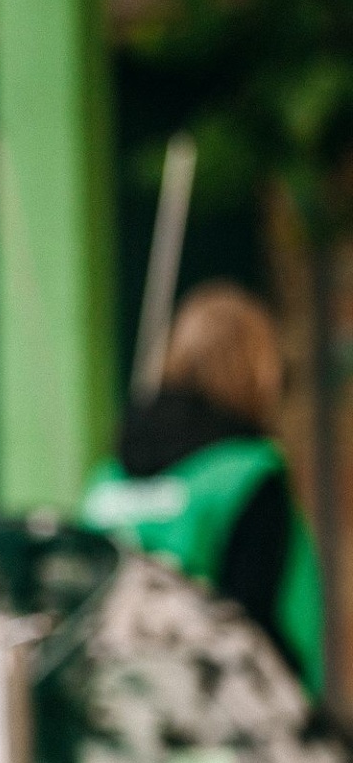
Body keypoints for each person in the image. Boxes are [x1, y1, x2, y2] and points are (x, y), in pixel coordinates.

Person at [81, 281, 324, 696]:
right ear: (258, 370)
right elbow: (258, 631)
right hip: (220, 721)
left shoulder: (106, 482)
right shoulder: (249, 474)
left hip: (118, 713)